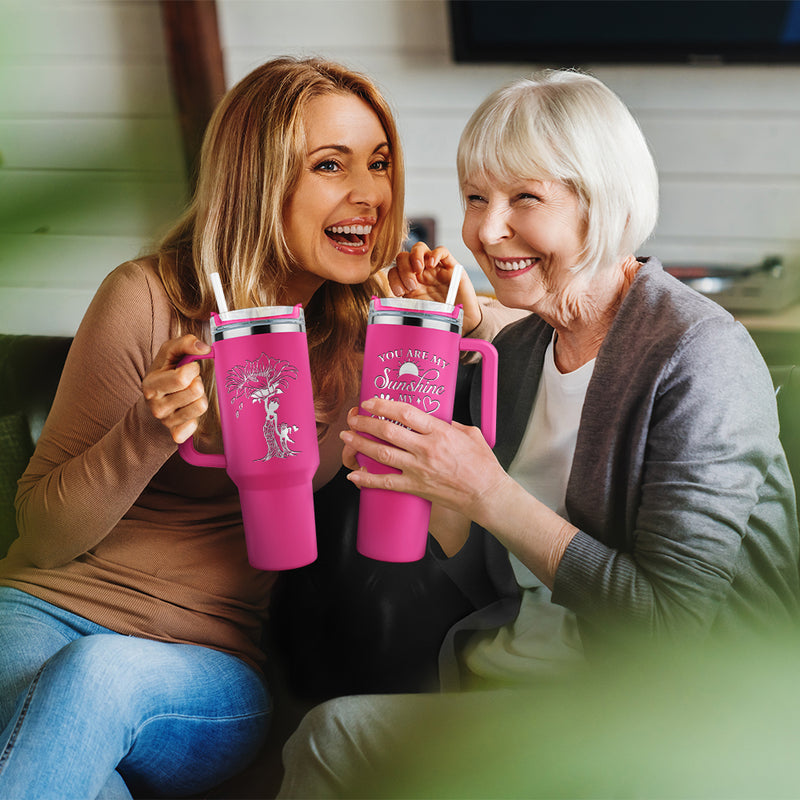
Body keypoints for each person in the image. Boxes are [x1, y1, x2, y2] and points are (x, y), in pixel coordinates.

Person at [277, 69, 800, 798]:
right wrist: (441, 496)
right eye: (475, 198)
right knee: (328, 735)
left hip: (683, 722)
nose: (487, 231)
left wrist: (488, 492)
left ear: (602, 204)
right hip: (524, 689)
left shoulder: (698, 354)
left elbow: (672, 625)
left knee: (333, 741)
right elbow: (500, 579)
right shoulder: (520, 354)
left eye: (526, 198)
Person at [0, 55, 429, 799]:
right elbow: (42, 536)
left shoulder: (372, 334)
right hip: (38, 615)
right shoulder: (147, 297)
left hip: (207, 667)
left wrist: (456, 309)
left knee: (97, 677)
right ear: (259, 182)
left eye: (380, 163)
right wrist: (147, 431)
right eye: (332, 165)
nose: (370, 194)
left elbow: (555, 315)